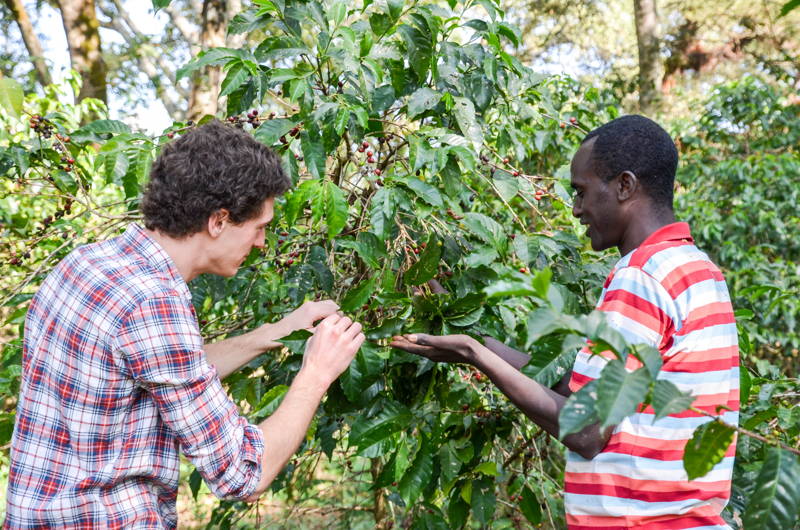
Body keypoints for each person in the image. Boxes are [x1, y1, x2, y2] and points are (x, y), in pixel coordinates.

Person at [4, 120, 365, 528]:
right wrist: (316, 374)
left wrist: (278, 332)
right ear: (218, 221)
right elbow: (243, 474)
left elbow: (160, 370)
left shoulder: (88, 263)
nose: (262, 243)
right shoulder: (154, 303)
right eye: (259, 228)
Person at [391, 115, 739, 529]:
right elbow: (584, 399)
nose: (576, 209)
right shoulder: (695, 267)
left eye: (582, 192)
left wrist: (473, 354)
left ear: (625, 186)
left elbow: (586, 431)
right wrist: (476, 343)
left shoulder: (642, 276)